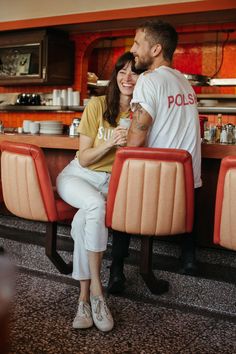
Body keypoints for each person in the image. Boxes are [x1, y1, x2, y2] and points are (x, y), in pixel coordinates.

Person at [108, 20, 202, 295]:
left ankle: (117, 271)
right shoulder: (182, 80)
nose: (133, 50)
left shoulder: (148, 80)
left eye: (138, 44)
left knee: (123, 185)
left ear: (157, 48)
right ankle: (189, 258)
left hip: (159, 180)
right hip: (187, 181)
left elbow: (137, 138)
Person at [56, 52, 142, 332]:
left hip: (108, 184)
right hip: (78, 176)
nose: (127, 77)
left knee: (84, 221)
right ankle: (97, 291)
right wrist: (110, 144)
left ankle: (83, 299)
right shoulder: (96, 105)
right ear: (115, 76)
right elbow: (83, 158)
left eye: (134, 72)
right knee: (94, 205)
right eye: (122, 71)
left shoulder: (141, 114)